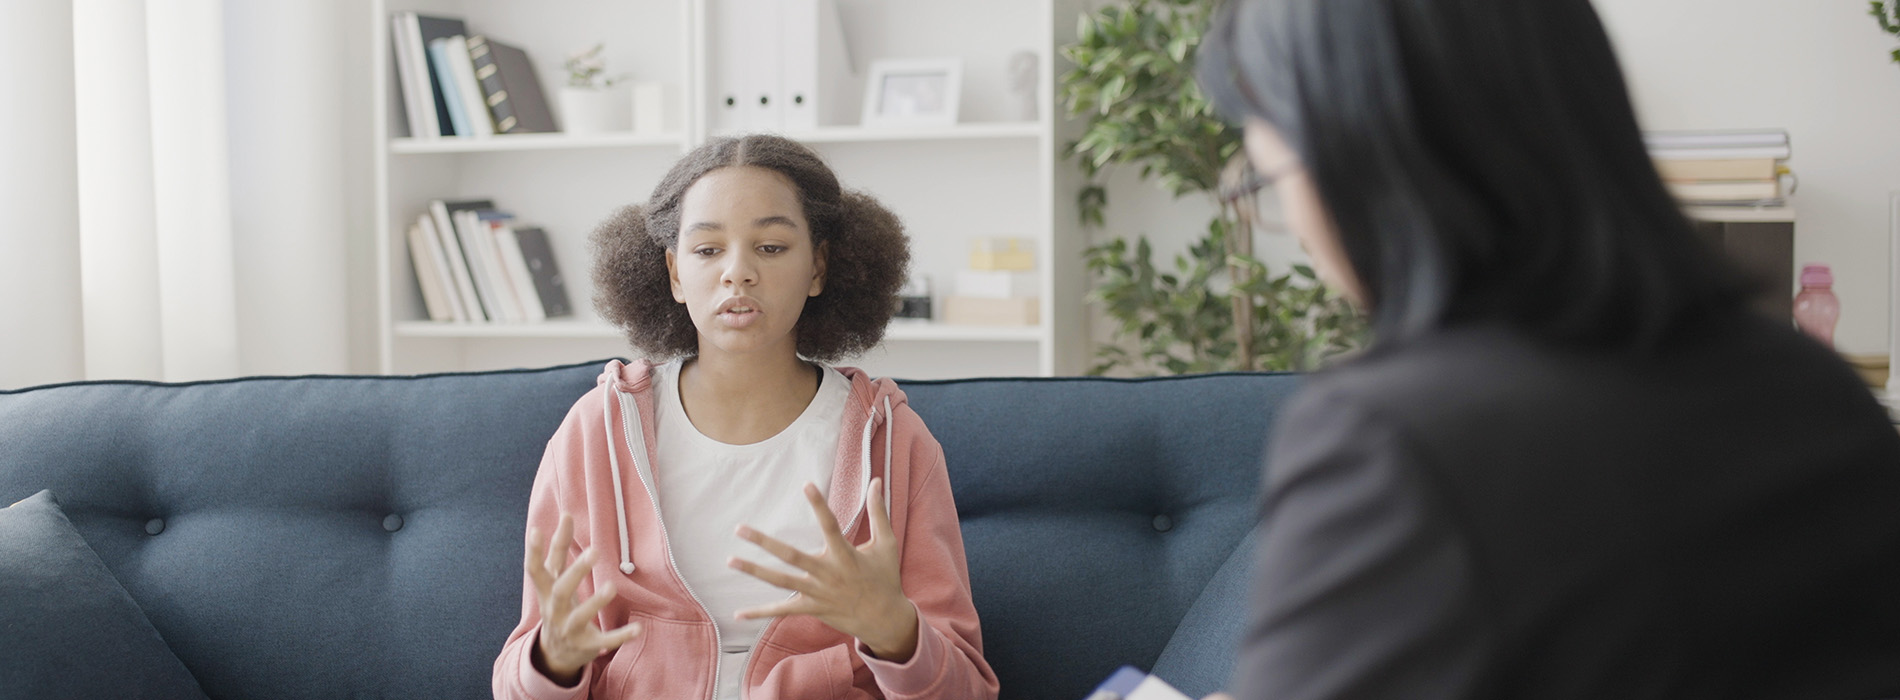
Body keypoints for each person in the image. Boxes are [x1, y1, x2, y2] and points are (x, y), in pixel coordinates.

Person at [1192, 0, 1900, 698]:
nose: (1301, 231)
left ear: (1363, 162)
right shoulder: (1818, 390)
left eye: (1272, 180)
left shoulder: (1396, 443)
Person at [491, 134, 999, 700]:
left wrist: (897, 634)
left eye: (772, 247)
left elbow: (968, 691)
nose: (738, 272)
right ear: (675, 273)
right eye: (707, 250)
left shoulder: (893, 440)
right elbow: (515, 686)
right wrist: (552, 662)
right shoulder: (596, 432)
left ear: (818, 267)